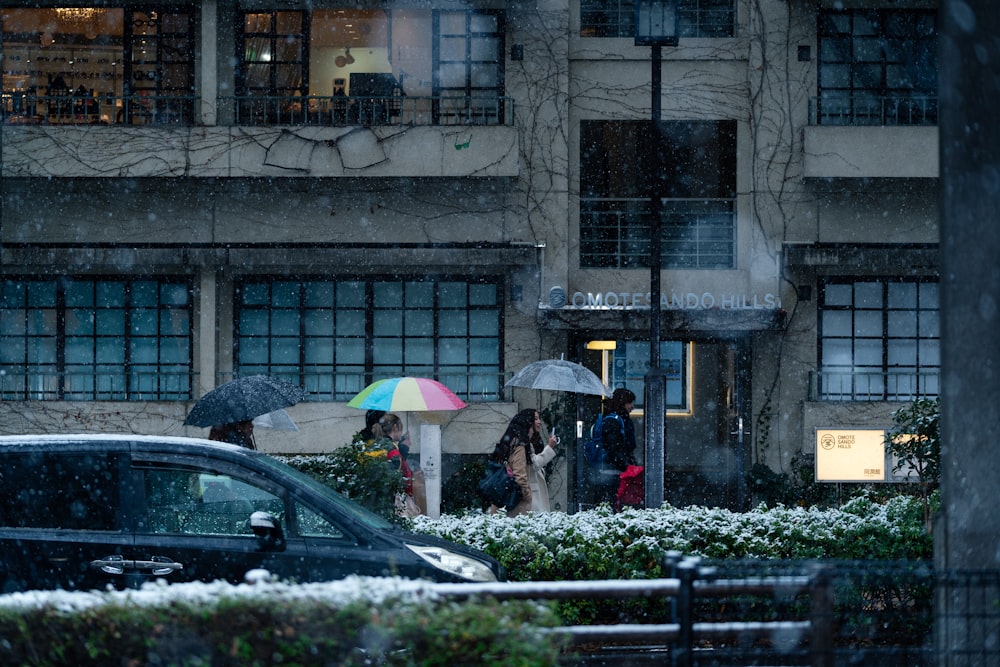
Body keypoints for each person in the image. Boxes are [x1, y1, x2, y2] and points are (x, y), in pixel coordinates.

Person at [369, 412, 421, 517]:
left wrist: (403, 448)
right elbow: (393, 476)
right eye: (401, 429)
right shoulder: (392, 450)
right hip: (389, 504)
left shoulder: (378, 445)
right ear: (395, 427)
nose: (402, 433)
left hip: (376, 501)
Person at [488, 408, 537, 517]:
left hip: (501, 497)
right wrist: (528, 495)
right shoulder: (519, 446)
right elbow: (520, 477)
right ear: (526, 427)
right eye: (531, 427)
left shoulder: (506, 443)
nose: (532, 431)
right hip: (514, 504)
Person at [595, 387, 637, 505]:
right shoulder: (615, 421)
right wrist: (626, 464)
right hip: (613, 471)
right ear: (622, 403)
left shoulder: (614, 419)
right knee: (615, 503)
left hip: (611, 470)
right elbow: (614, 448)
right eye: (629, 402)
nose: (632, 406)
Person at [528, 411, 559, 512]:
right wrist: (549, 447)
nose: (539, 422)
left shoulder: (535, 440)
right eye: (536, 419)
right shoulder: (523, 443)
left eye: (539, 418)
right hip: (530, 497)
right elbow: (535, 464)